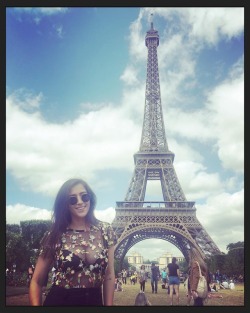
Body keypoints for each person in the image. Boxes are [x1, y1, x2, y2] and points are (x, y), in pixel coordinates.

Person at [29, 178, 117, 306]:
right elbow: (36, 281)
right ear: (65, 204)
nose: (80, 202)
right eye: (72, 199)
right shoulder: (55, 234)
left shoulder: (105, 230)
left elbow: (109, 276)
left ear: (90, 198)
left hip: (94, 301)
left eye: (84, 197)